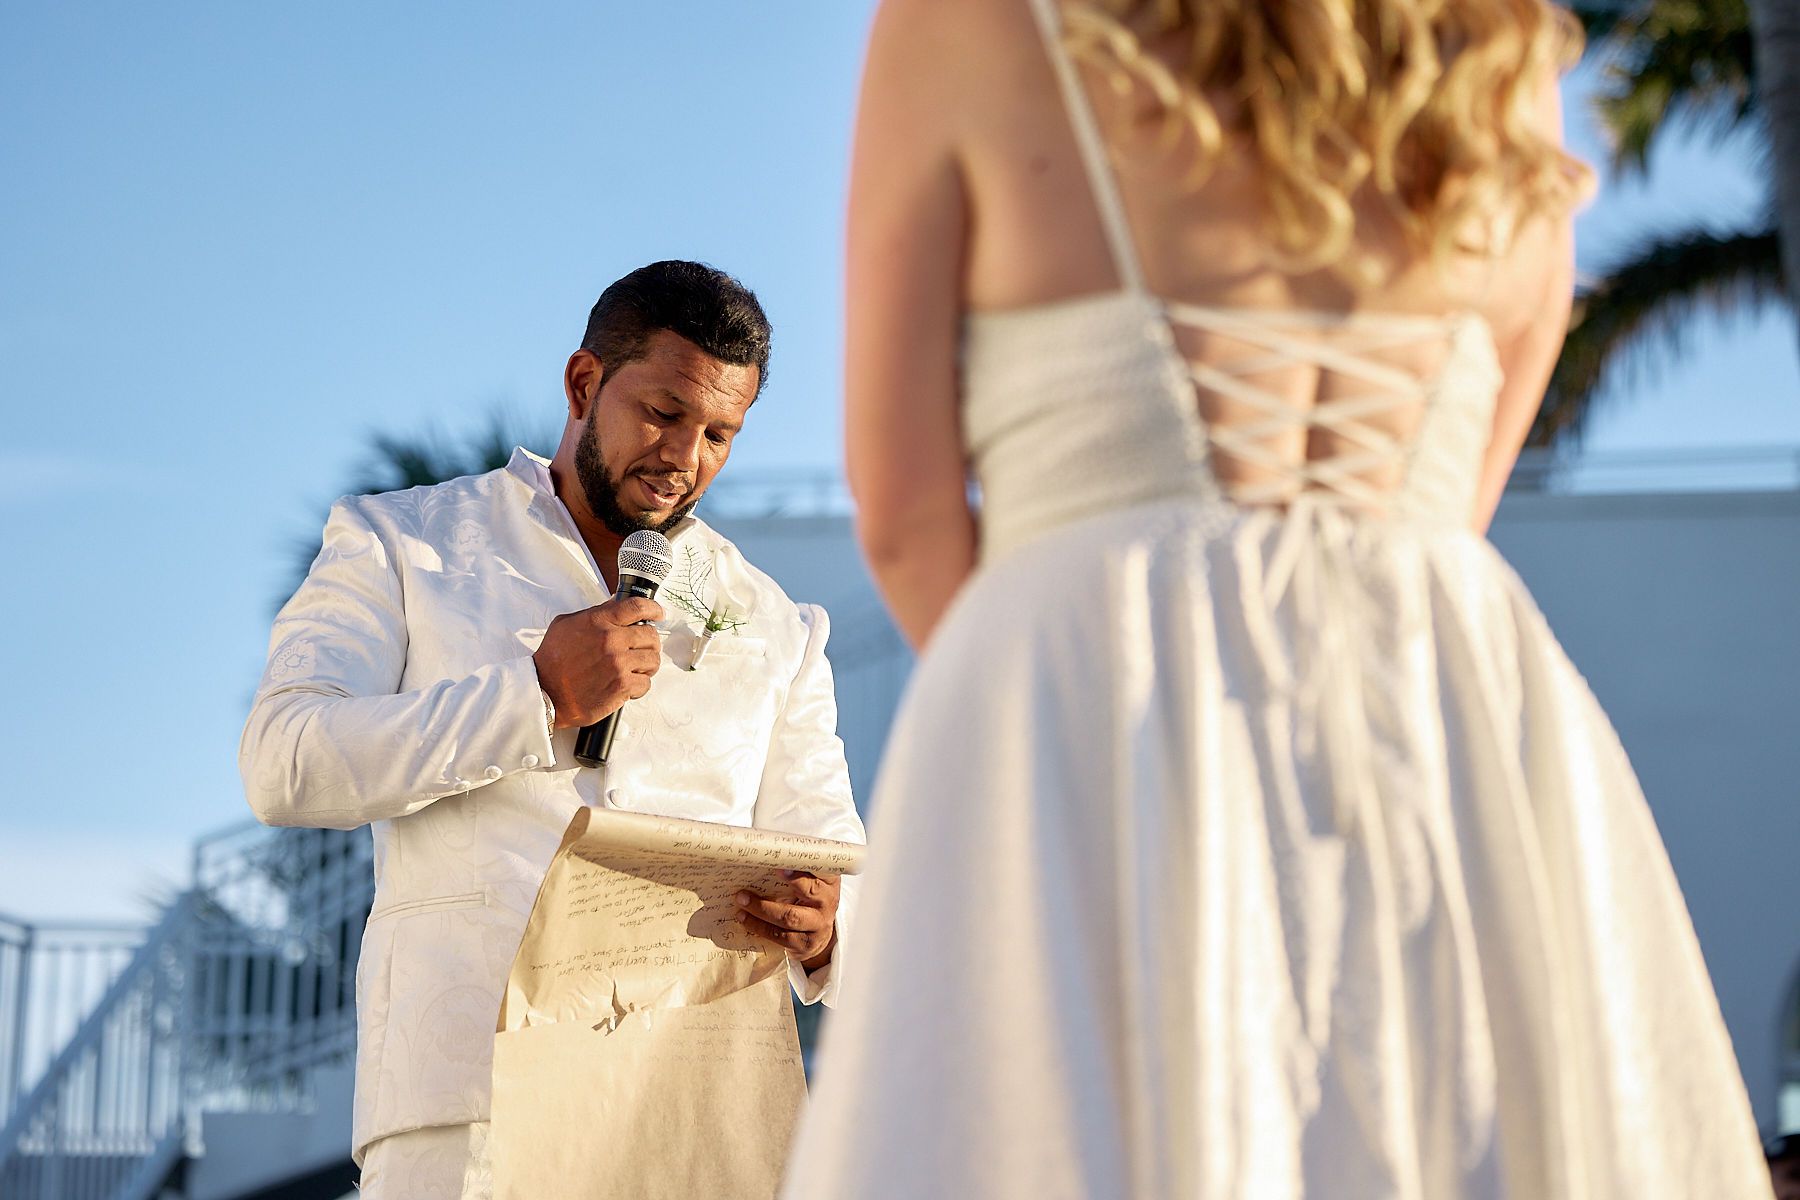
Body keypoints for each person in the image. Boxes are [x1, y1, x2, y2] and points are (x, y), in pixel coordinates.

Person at [790, 1, 1770, 1196]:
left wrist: (1077, 752)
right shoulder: (1506, 58)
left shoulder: (974, 25)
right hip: (1441, 709)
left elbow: (904, 512)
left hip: (1095, 719)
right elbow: (1455, 501)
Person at [239, 260, 865, 1198]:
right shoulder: (402, 542)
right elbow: (284, 761)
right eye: (663, 413)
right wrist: (530, 696)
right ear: (583, 384)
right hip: (465, 1108)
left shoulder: (778, 624)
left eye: (720, 435)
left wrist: (827, 930)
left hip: (692, 1118)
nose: (685, 459)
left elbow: (836, 862)